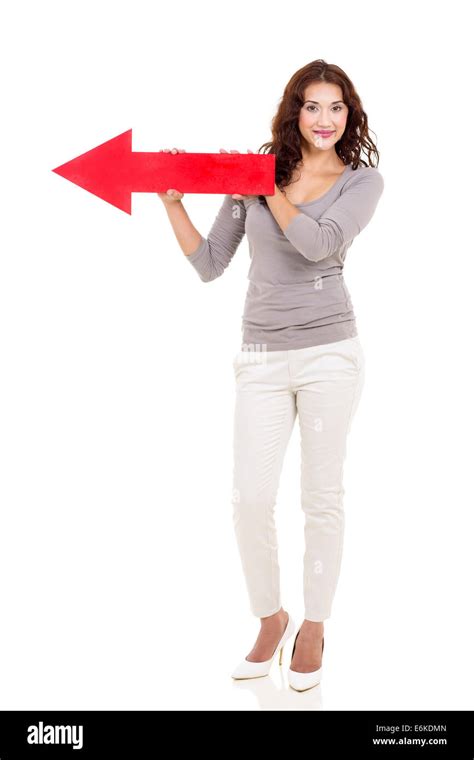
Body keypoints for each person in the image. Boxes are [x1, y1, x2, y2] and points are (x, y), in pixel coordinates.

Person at [158, 59, 384, 692]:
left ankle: (313, 626)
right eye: (312, 107)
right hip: (259, 355)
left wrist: (265, 187)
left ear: (349, 114)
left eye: (336, 107)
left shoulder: (361, 182)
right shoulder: (257, 178)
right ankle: (270, 616)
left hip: (330, 356)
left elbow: (318, 244)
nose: (324, 119)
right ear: (294, 111)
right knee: (250, 499)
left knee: (321, 498)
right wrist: (175, 204)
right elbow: (209, 263)